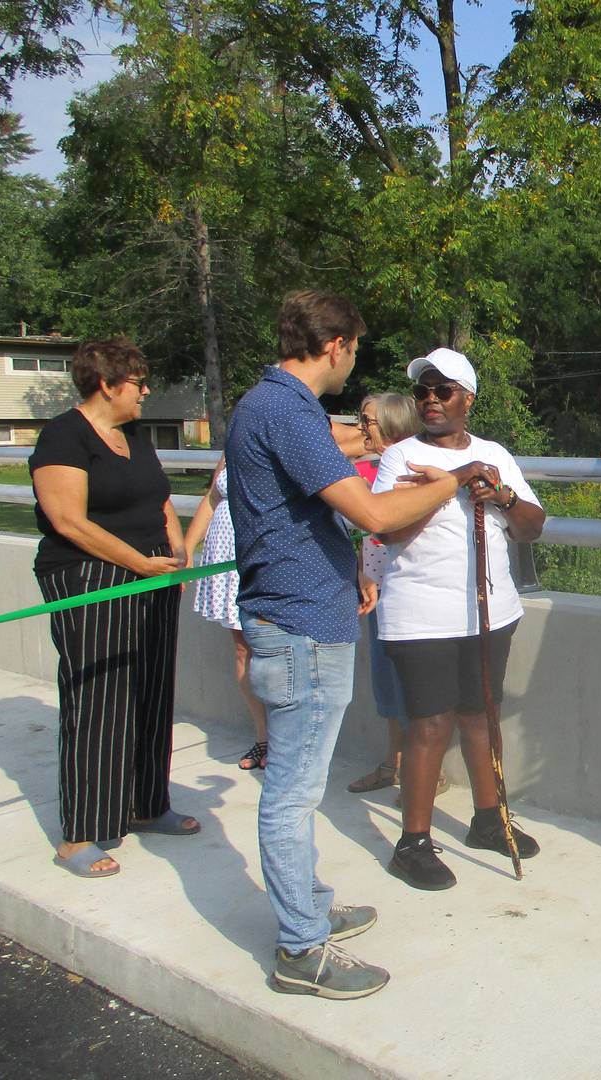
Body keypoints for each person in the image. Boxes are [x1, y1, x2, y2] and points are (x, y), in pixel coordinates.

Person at [226, 290, 465, 999]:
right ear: (336, 346)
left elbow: (303, 511)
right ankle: (302, 948)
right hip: (298, 626)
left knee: (297, 785)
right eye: (355, 349)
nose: (353, 363)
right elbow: (370, 509)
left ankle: (307, 901)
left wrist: (343, 568)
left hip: (304, 614)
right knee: (293, 794)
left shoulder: (266, 407)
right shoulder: (286, 411)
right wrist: (449, 484)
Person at [372, 348, 546, 891]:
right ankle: (414, 843)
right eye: (423, 391)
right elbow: (390, 531)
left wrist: (501, 493)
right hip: (420, 615)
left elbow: (533, 526)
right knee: (429, 725)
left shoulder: (495, 453)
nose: (429, 400)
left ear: (467, 398)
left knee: (481, 715)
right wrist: (451, 482)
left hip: (490, 612)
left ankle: (489, 817)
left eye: (442, 391)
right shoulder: (399, 458)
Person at [29, 339, 197, 879]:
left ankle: (147, 805)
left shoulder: (134, 435)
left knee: (151, 687)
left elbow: (161, 499)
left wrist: (176, 555)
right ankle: (80, 833)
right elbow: (69, 521)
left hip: (151, 574)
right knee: (98, 696)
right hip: (90, 576)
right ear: (107, 383)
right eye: (139, 382)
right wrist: (137, 563)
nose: (146, 391)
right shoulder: (63, 435)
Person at [344, 393, 450, 800]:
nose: (362, 429)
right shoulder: (365, 467)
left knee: (417, 688)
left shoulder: (414, 468)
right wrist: (363, 572)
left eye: (368, 421)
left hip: (411, 587)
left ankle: (424, 772)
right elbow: (365, 530)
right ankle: (394, 762)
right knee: (386, 682)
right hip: (375, 587)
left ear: (390, 422)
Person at [184, 457, 268, 771]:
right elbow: (213, 498)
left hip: (259, 557)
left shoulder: (288, 430)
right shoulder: (234, 443)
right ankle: (263, 738)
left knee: (271, 648)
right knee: (243, 647)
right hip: (225, 561)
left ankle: (287, 739)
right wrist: (188, 545)